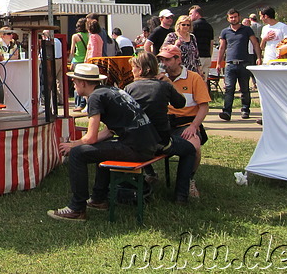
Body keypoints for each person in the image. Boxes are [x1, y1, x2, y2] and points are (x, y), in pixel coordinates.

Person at [47, 63, 159, 221]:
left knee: (78, 154)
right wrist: (81, 142)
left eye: (75, 81)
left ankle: (77, 209)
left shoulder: (95, 97)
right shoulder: (110, 91)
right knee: (98, 149)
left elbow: (90, 137)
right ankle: (98, 199)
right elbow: (109, 132)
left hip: (136, 149)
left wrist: (73, 145)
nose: (73, 84)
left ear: (83, 83)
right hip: (148, 145)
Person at [124, 51, 197, 203]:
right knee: (190, 150)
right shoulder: (164, 86)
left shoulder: (129, 88)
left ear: (143, 69)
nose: (132, 70)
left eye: (134, 67)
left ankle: (150, 175)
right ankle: (181, 196)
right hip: (161, 143)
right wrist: (169, 84)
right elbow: (181, 103)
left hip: (137, 143)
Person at [158, 44, 210, 200]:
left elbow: (204, 106)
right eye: (161, 60)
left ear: (178, 59)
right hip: (163, 124)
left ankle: (188, 179)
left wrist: (194, 126)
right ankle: (150, 174)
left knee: (194, 147)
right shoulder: (158, 78)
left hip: (185, 124)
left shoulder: (193, 78)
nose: (164, 64)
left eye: (167, 60)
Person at [217, 9, 262, 121]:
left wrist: (259, 57)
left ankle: (245, 109)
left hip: (244, 63)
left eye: (235, 17)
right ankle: (227, 111)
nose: (234, 19)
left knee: (245, 88)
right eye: (231, 17)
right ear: (228, 18)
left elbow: (255, 43)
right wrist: (219, 63)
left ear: (239, 17)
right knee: (229, 88)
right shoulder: (225, 32)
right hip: (230, 64)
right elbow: (222, 47)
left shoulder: (246, 30)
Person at [0, 26, 20, 105]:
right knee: (1, 88)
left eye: (11, 33)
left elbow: (16, 56)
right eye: (9, 34)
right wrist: (9, 56)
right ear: (2, 36)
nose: (11, 35)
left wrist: (5, 56)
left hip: (10, 69)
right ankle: (2, 103)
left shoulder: (13, 42)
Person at [189, 5, 214, 83]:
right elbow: (211, 43)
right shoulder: (209, 26)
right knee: (203, 82)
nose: (189, 16)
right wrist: (210, 55)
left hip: (197, 58)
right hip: (207, 57)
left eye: (190, 14)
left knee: (194, 81)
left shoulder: (193, 26)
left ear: (197, 14)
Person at [68, 18, 89, 110]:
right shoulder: (89, 35)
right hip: (86, 60)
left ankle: (78, 104)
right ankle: (84, 103)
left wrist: (70, 60)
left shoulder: (75, 36)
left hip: (77, 60)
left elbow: (72, 51)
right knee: (85, 82)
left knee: (76, 82)